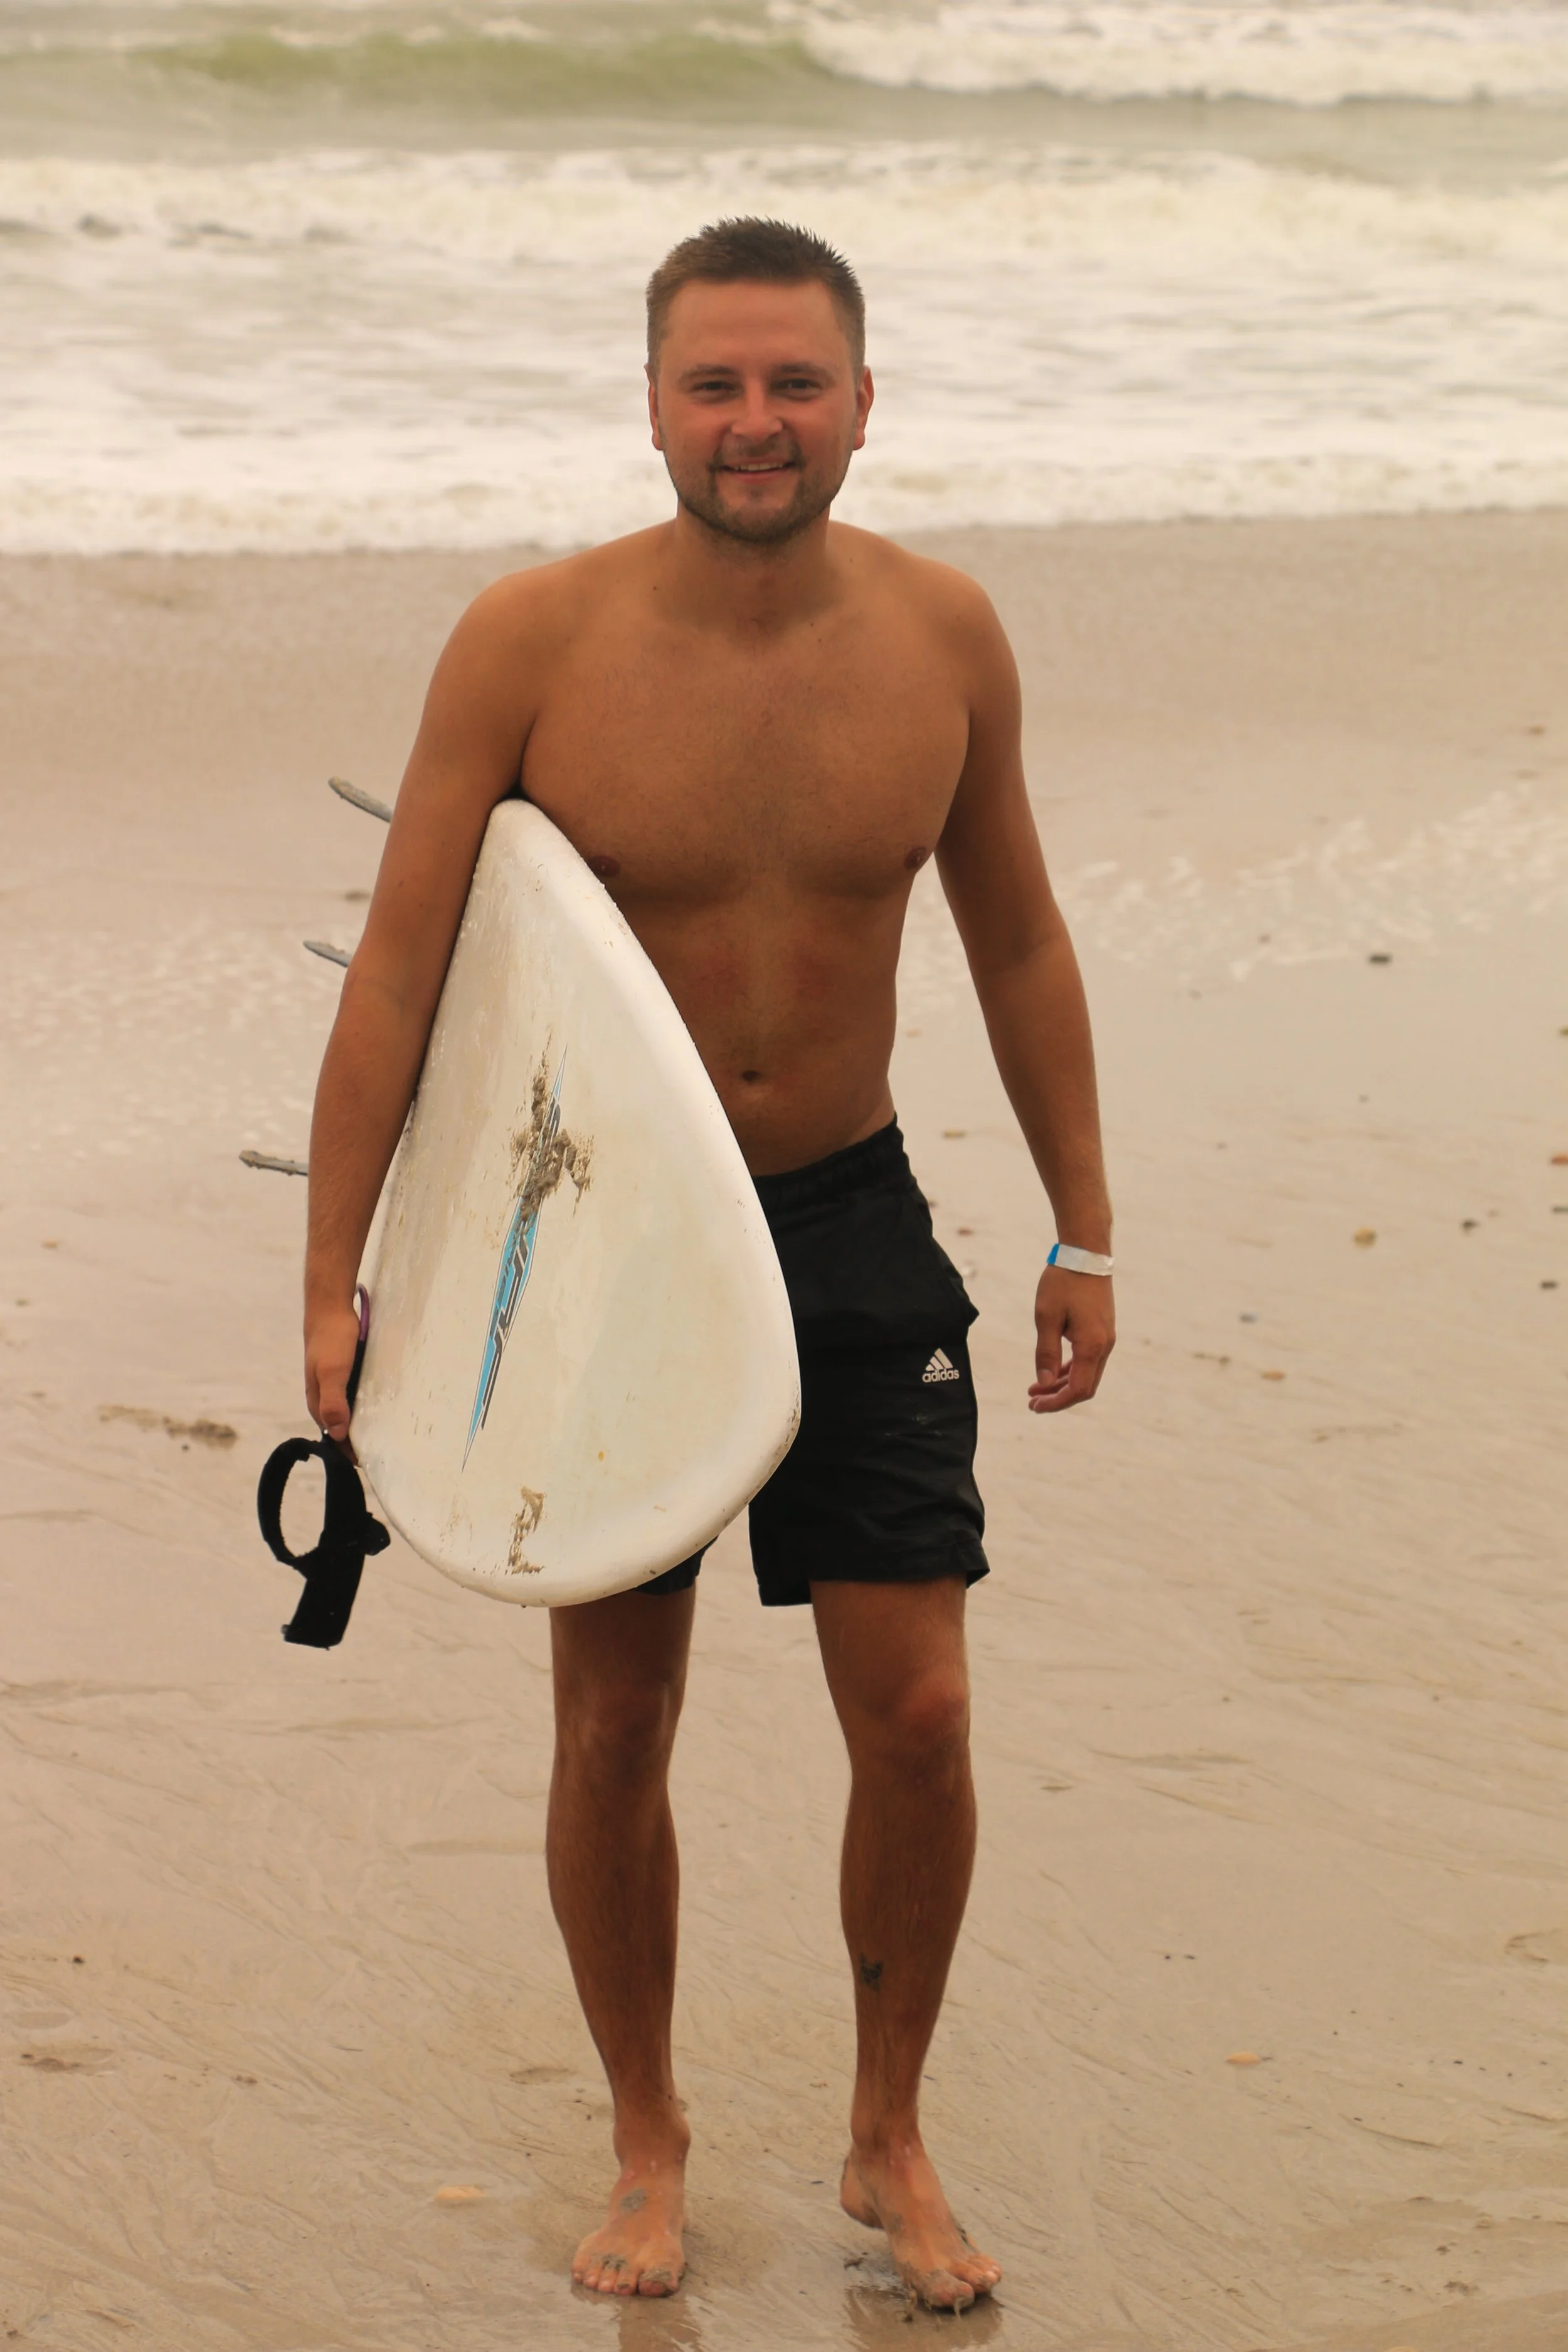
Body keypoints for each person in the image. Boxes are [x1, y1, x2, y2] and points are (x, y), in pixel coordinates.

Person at [304, 217, 1114, 2312]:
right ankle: (647, 2135)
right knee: (610, 1726)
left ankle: (884, 2128)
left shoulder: (945, 638)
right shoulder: (528, 643)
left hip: (847, 1210)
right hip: (594, 1236)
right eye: (713, 383)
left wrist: (1080, 1222)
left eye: (794, 383)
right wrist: (339, 1270)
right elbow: (399, 976)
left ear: (863, 397)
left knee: (920, 1716)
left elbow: (1017, 936)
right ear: (650, 400)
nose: (755, 422)